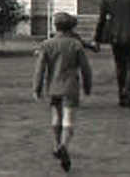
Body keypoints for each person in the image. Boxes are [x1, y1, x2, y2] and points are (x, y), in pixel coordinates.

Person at [34, 12, 92, 172]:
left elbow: (40, 70)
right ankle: (64, 146)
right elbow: (86, 69)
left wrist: (36, 88)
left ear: (55, 26)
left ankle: (55, 144)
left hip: (53, 87)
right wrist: (87, 86)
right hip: (70, 86)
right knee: (69, 119)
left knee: (56, 116)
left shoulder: (47, 44)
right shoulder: (76, 45)